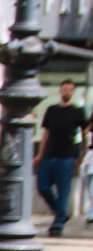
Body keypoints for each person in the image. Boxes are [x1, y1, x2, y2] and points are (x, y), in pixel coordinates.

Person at [38, 78, 86, 235]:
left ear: (73, 92)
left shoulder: (78, 111)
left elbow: (84, 133)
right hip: (49, 154)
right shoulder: (51, 109)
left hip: (67, 155)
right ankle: (61, 212)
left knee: (63, 190)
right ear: (60, 90)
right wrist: (40, 153)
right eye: (64, 88)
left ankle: (58, 222)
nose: (67, 91)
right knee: (43, 186)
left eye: (70, 89)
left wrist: (82, 153)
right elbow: (46, 132)